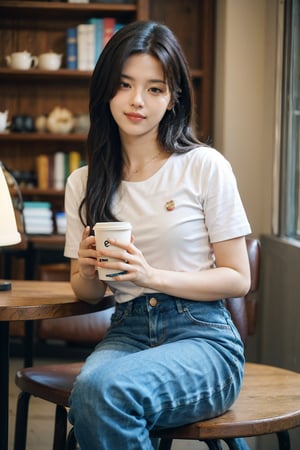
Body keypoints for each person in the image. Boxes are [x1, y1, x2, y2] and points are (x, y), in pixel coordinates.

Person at [64, 20, 252, 450]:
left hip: (202, 336)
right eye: (125, 84)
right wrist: (90, 267)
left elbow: (238, 278)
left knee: (103, 393)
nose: (136, 101)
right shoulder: (84, 182)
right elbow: (87, 293)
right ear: (106, 90)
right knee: (94, 394)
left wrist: (151, 275)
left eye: (154, 88)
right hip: (127, 331)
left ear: (173, 98)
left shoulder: (205, 166)